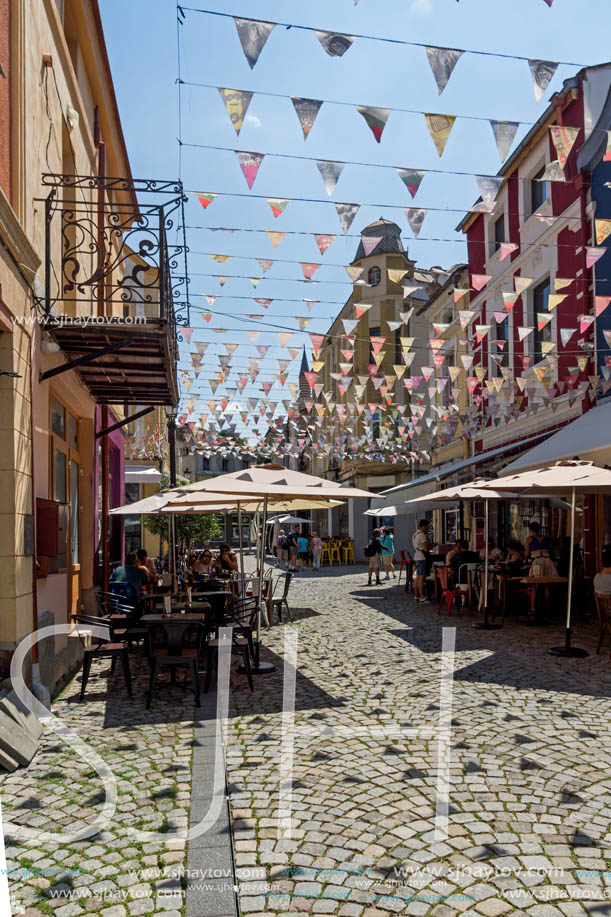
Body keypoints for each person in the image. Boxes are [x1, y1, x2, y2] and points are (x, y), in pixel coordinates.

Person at [412, 520, 432, 602]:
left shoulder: (414, 534)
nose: (427, 528)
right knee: (421, 578)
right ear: (422, 526)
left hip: (416, 556)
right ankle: (422, 597)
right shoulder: (422, 535)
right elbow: (426, 549)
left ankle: (416, 596)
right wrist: (432, 545)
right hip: (422, 557)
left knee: (418, 577)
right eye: (427, 526)